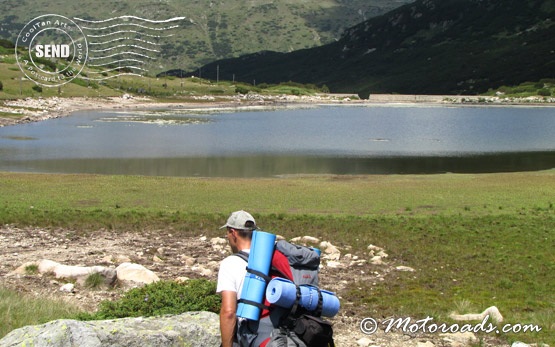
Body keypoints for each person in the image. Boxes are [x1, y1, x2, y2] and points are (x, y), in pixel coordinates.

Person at [216, 210, 257, 347]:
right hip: (275, 336)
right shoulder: (272, 259)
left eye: (227, 233)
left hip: (248, 337)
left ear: (233, 233)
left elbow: (228, 312)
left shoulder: (230, 263)